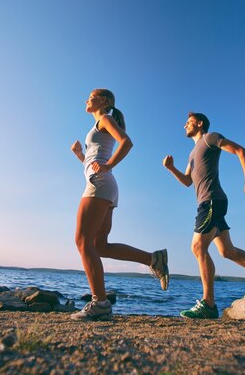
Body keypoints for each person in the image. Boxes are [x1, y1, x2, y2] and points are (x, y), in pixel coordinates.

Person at [163, 112, 245, 319]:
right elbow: (187, 181)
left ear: (199, 124)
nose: (184, 125)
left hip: (211, 201)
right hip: (209, 202)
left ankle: (208, 304)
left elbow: (240, 151)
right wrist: (171, 168)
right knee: (227, 251)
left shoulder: (210, 138)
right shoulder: (192, 154)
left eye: (188, 122)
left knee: (198, 247)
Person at [70, 88, 169, 321]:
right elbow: (94, 161)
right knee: (100, 246)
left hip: (100, 184)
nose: (86, 99)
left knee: (82, 241)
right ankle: (153, 259)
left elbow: (126, 142)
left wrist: (109, 166)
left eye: (91, 96)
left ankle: (100, 303)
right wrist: (79, 155)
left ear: (103, 101)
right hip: (106, 186)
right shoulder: (98, 124)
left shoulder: (104, 119)